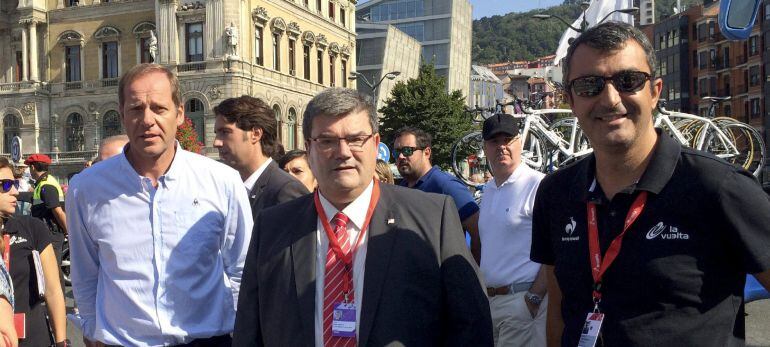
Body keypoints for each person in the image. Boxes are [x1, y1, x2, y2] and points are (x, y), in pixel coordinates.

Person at [530, 22, 770, 346]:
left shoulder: (718, 187)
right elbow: (558, 310)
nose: (611, 99)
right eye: (590, 85)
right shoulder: (555, 194)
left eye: (628, 81)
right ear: (571, 100)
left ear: (655, 92)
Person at [233, 88, 492, 346]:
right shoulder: (273, 226)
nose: (343, 152)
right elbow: (249, 329)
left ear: (376, 144)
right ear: (308, 148)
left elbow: (471, 327)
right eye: (327, 141)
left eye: (356, 139)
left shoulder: (433, 219)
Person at [66, 63, 253, 346]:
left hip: (206, 339)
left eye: (159, 108)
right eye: (136, 109)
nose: (147, 119)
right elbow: (85, 273)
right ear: (122, 115)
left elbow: (241, 267)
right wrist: (92, 328)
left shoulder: (221, 181)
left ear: (179, 114)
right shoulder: (87, 189)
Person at [479, 114, 547, 347]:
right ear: (485, 147)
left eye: (507, 140)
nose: (501, 147)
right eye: (494, 141)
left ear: (520, 142)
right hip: (492, 303)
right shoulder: (488, 190)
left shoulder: (538, 185)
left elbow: (555, 250)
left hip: (521, 301)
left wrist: (533, 298)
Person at [0, 157, 68, 347]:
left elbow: (53, 290)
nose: (14, 190)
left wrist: (62, 340)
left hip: (34, 338)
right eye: (5, 185)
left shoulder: (30, 227)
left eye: (13, 183)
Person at [393, 127, 482, 263]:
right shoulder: (401, 189)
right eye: (397, 152)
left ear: (427, 152)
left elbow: (478, 234)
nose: (401, 157)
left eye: (407, 151)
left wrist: (470, 276)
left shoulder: (447, 186)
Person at [213, 95, 308, 220]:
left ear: (256, 134)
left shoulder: (285, 191)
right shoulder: (229, 189)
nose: (216, 143)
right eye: (217, 134)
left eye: (225, 132)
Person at [22, 154, 66, 290]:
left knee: (52, 272)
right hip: (48, 233)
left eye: (29, 167)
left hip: (51, 234)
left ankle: (59, 307)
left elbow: (58, 211)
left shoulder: (46, 185)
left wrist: (69, 231)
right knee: (48, 271)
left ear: (33, 167)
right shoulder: (44, 183)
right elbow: (33, 198)